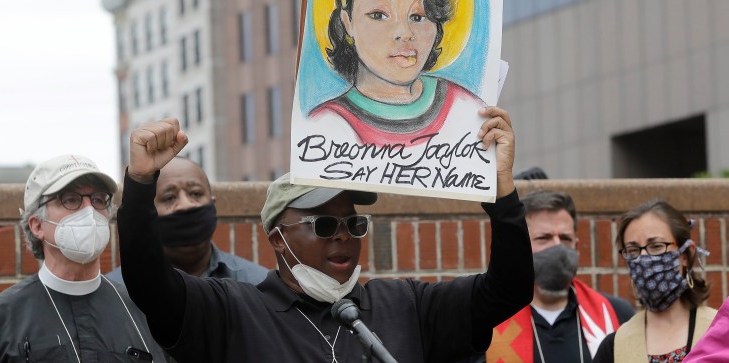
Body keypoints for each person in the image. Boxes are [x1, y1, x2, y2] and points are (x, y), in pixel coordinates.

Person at [116, 107, 533, 362]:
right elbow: (149, 284)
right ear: (278, 237)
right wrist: (139, 184)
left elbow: (509, 290)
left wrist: (501, 194)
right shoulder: (231, 310)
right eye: (324, 224)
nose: (344, 237)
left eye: (354, 223)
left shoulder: (405, 305)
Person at [0, 154, 169, 362]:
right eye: (70, 200)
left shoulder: (144, 312)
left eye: (98, 200)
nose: (89, 211)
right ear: (37, 225)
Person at [311, 0, 486, 146]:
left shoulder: (466, 110)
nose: (405, 32)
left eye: (418, 16)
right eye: (379, 15)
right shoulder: (325, 129)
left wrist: (501, 175)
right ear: (348, 23)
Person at [478, 191, 635, 363]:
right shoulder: (488, 324)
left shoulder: (616, 314)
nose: (558, 247)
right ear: (520, 247)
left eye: (565, 238)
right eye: (543, 238)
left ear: (576, 245)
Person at [106, 156, 268, 285]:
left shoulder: (258, 284)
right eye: (169, 197)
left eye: (195, 194)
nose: (185, 205)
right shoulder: (118, 292)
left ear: (213, 204)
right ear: (148, 214)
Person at [593, 200, 716, 363]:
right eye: (633, 250)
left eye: (656, 246)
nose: (644, 258)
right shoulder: (614, 347)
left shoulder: (719, 330)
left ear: (685, 255)